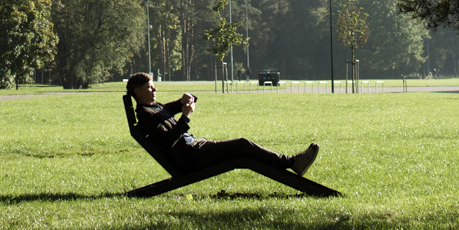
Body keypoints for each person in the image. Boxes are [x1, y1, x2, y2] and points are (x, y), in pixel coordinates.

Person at [123, 72, 319, 176]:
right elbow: (167, 141)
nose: (154, 89)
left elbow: (166, 109)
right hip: (192, 156)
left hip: (195, 148)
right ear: (138, 92)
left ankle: (290, 163)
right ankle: (290, 162)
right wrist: (185, 118)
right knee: (242, 145)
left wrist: (183, 101)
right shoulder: (146, 116)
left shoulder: (153, 108)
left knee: (243, 149)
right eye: (150, 87)